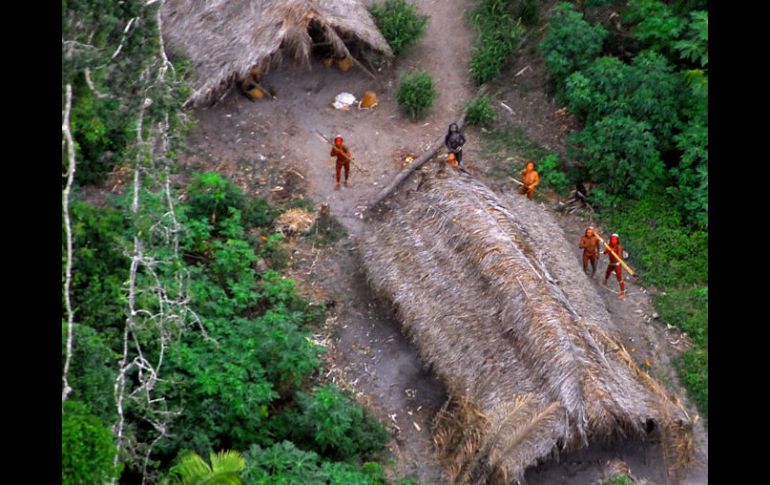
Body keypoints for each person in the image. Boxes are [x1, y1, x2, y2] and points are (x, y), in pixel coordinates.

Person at [603, 233, 625, 299]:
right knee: (607, 272)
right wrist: (607, 248)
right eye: (612, 239)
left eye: (615, 240)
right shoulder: (609, 246)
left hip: (617, 264)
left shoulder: (619, 247)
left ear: (617, 240)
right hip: (611, 263)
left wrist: (612, 251)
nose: (613, 241)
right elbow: (605, 253)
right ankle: (605, 280)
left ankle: (622, 292)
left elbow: (619, 256)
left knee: (619, 277)